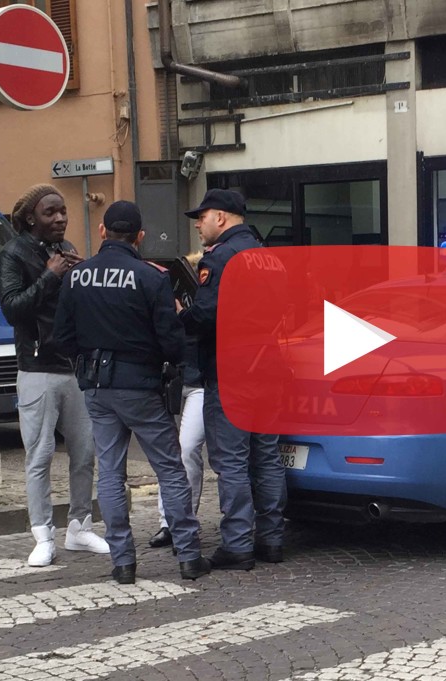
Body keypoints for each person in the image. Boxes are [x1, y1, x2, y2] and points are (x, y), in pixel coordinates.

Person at [52, 201, 210, 584]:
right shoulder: (151, 277)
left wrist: (88, 360)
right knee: (170, 470)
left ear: (102, 231)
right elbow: (171, 342)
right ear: (139, 236)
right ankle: (189, 556)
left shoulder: (76, 277)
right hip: (140, 386)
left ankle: (122, 563)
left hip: (97, 387)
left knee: (110, 473)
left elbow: (62, 337)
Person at [0, 184, 110, 567]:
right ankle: (43, 535)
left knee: (84, 452)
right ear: (31, 218)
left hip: (73, 366)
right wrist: (50, 276)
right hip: (37, 368)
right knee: (40, 455)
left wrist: (79, 275)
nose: (61, 217)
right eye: (51, 212)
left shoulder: (65, 250)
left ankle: (79, 526)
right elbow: (12, 309)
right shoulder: (13, 254)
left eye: (63, 211)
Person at [180, 189, 287, 570]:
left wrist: (180, 315)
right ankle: (271, 539)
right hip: (269, 368)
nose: (198, 224)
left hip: (232, 371)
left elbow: (207, 314)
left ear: (221, 218)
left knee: (232, 461)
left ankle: (238, 543)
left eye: (202, 216)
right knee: (267, 457)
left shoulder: (220, 257)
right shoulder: (269, 257)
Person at [150, 253, 207, 549]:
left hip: (198, 381)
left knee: (187, 449)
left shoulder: (205, 303)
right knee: (169, 451)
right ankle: (168, 521)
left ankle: (183, 520)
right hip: (173, 379)